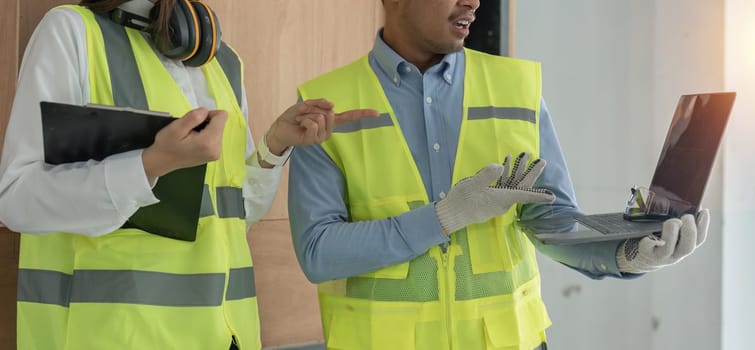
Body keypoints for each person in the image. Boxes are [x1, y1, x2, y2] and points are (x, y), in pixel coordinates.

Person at [287, 0, 710, 349]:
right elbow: (320, 253)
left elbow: (553, 221)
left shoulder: (515, 89)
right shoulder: (327, 107)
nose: (472, 2)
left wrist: (627, 254)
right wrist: (442, 218)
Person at [0, 0, 376, 349]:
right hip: (117, 336)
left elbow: (233, 215)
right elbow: (16, 200)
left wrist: (273, 147)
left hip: (229, 334)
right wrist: (152, 164)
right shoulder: (72, 33)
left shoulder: (222, 62)